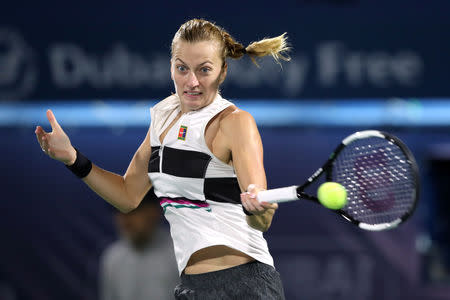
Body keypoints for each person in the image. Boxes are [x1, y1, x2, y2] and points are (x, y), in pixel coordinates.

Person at [35, 18, 290, 299]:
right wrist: (73, 158)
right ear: (171, 67)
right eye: (182, 68)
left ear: (223, 71)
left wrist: (258, 208)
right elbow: (128, 195)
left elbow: (262, 218)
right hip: (191, 288)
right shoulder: (162, 117)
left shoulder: (235, 122)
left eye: (204, 70)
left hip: (244, 285)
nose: (192, 82)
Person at [99, 188, 179, 300]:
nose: (124, 219)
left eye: (132, 210)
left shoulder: (182, 255)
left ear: (153, 211)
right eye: (118, 210)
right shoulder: (112, 258)